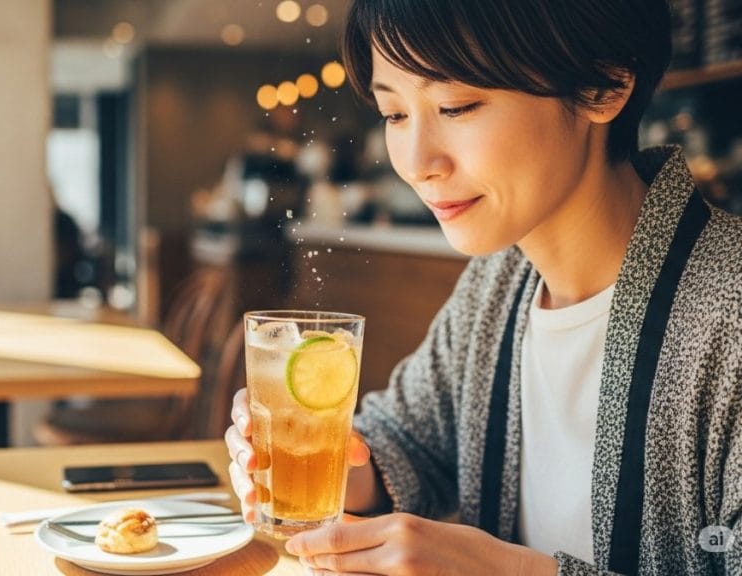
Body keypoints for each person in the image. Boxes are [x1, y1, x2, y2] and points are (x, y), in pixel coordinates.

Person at [224, 0, 742, 574]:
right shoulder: (498, 284)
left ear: (604, 84)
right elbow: (407, 441)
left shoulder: (729, 308)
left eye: (456, 105)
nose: (417, 162)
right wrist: (314, 459)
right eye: (394, 115)